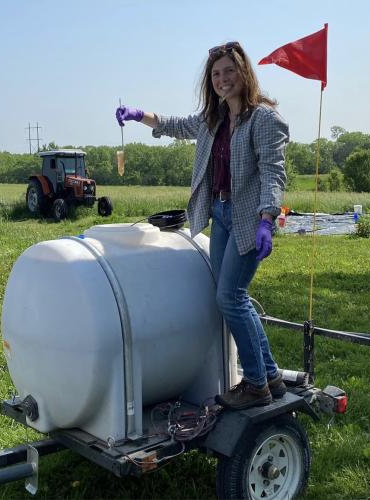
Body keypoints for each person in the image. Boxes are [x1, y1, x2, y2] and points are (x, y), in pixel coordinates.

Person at [115, 41, 289, 410]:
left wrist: (267, 218)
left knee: (230, 297)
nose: (222, 79)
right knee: (232, 298)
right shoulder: (214, 120)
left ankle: (256, 384)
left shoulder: (263, 118)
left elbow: (274, 172)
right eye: (215, 74)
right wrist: (138, 114)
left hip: (248, 220)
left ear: (244, 73)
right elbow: (176, 125)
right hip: (221, 215)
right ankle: (270, 374)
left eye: (229, 71)